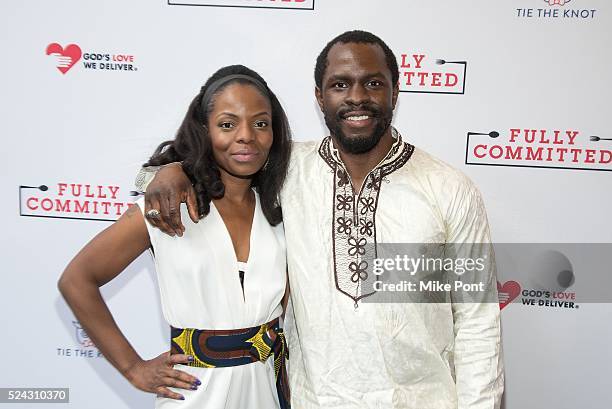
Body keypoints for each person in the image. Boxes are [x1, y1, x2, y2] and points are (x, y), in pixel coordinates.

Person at [137, 31, 504, 409]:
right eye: (340, 85)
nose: (357, 97)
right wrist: (171, 170)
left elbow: (478, 322)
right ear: (319, 97)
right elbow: (218, 164)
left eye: (374, 84)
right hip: (315, 401)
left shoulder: (450, 189)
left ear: (395, 93)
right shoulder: (286, 170)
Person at [58, 64, 292, 409]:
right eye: (227, 124)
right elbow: (77, 280)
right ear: (204, 130)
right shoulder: (168, 206)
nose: (246, 136)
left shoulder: (281, 206)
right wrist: (133, 368)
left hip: (268, 389)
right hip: (197, 392)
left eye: (261, 123)